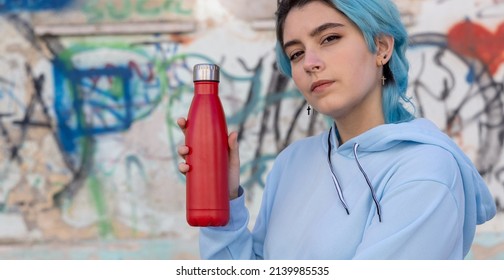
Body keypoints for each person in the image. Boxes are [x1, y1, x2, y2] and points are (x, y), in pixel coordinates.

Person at [177, 0, 496, 259]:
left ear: (381, 47)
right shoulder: (292, 163)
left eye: (330, 38)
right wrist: (223, 199)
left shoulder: (426, 171)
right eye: (296, 53)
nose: (309, 63)